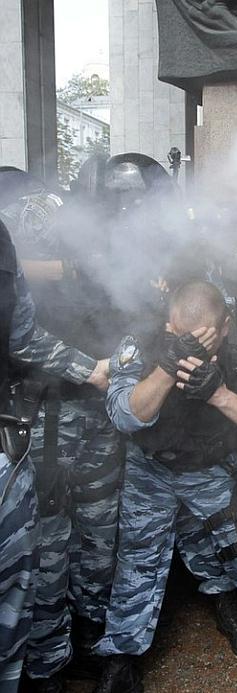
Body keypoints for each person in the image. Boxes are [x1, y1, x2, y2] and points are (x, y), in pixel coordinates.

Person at [94, 281, 237, 692]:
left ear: (226, 327)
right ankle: (121, 656)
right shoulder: (143, 341)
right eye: (182, 336)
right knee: (138, 561)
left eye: (204, 339)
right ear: (168, 324)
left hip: (211, 466)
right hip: (151, 470)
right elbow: (125, 417)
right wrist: (166, 367)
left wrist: (219, 395)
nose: (193, 347)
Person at [0, 218, 109, 693]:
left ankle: (48, 667)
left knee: (25, 563)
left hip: (12, 440)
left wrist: (92, 369)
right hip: (34, 418)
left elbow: (22, 335)